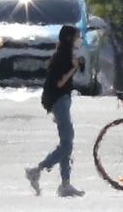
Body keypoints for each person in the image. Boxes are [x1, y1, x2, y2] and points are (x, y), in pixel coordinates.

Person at [25, 25, 85, 197]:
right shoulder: (63, 57)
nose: (79, 40)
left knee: (66, 143)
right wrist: (73, 68)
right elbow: (59, 83)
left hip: (62, 101)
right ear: (69, 38)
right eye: (77, 36)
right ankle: (37, 170)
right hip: (60, 102)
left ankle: (65, 184)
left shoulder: (65, 54)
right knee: (67, 143)